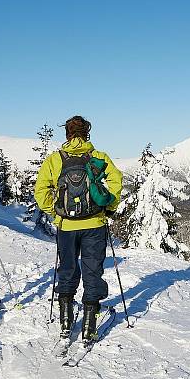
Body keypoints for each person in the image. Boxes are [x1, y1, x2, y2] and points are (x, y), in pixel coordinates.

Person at [34, 115, 123, 341]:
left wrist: (55, 214)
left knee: (68, 268)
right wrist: (108, 207)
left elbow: (41, 190)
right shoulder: (98, 157)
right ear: (87, 134)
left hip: (66, 226)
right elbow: (117, 181)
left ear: (67, 134)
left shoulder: (55, 160)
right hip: (94, 224)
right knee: (92, 269)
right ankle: (89, 325)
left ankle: (65, 319)